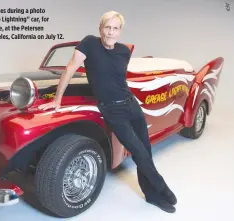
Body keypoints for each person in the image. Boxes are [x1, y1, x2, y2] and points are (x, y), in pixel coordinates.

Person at [38, 11, 177, 213]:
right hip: (113, 110)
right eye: (107, 27)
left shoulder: (123, 51)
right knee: (138, 152)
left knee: (145, 152)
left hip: (131, 105)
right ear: (100, 28)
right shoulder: (89, 44)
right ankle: (163, 189)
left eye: (115, 28)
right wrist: (57, 99)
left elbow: (117, 79)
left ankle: (152, 196)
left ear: (120, 31)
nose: (110, 32)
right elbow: (69, 69)